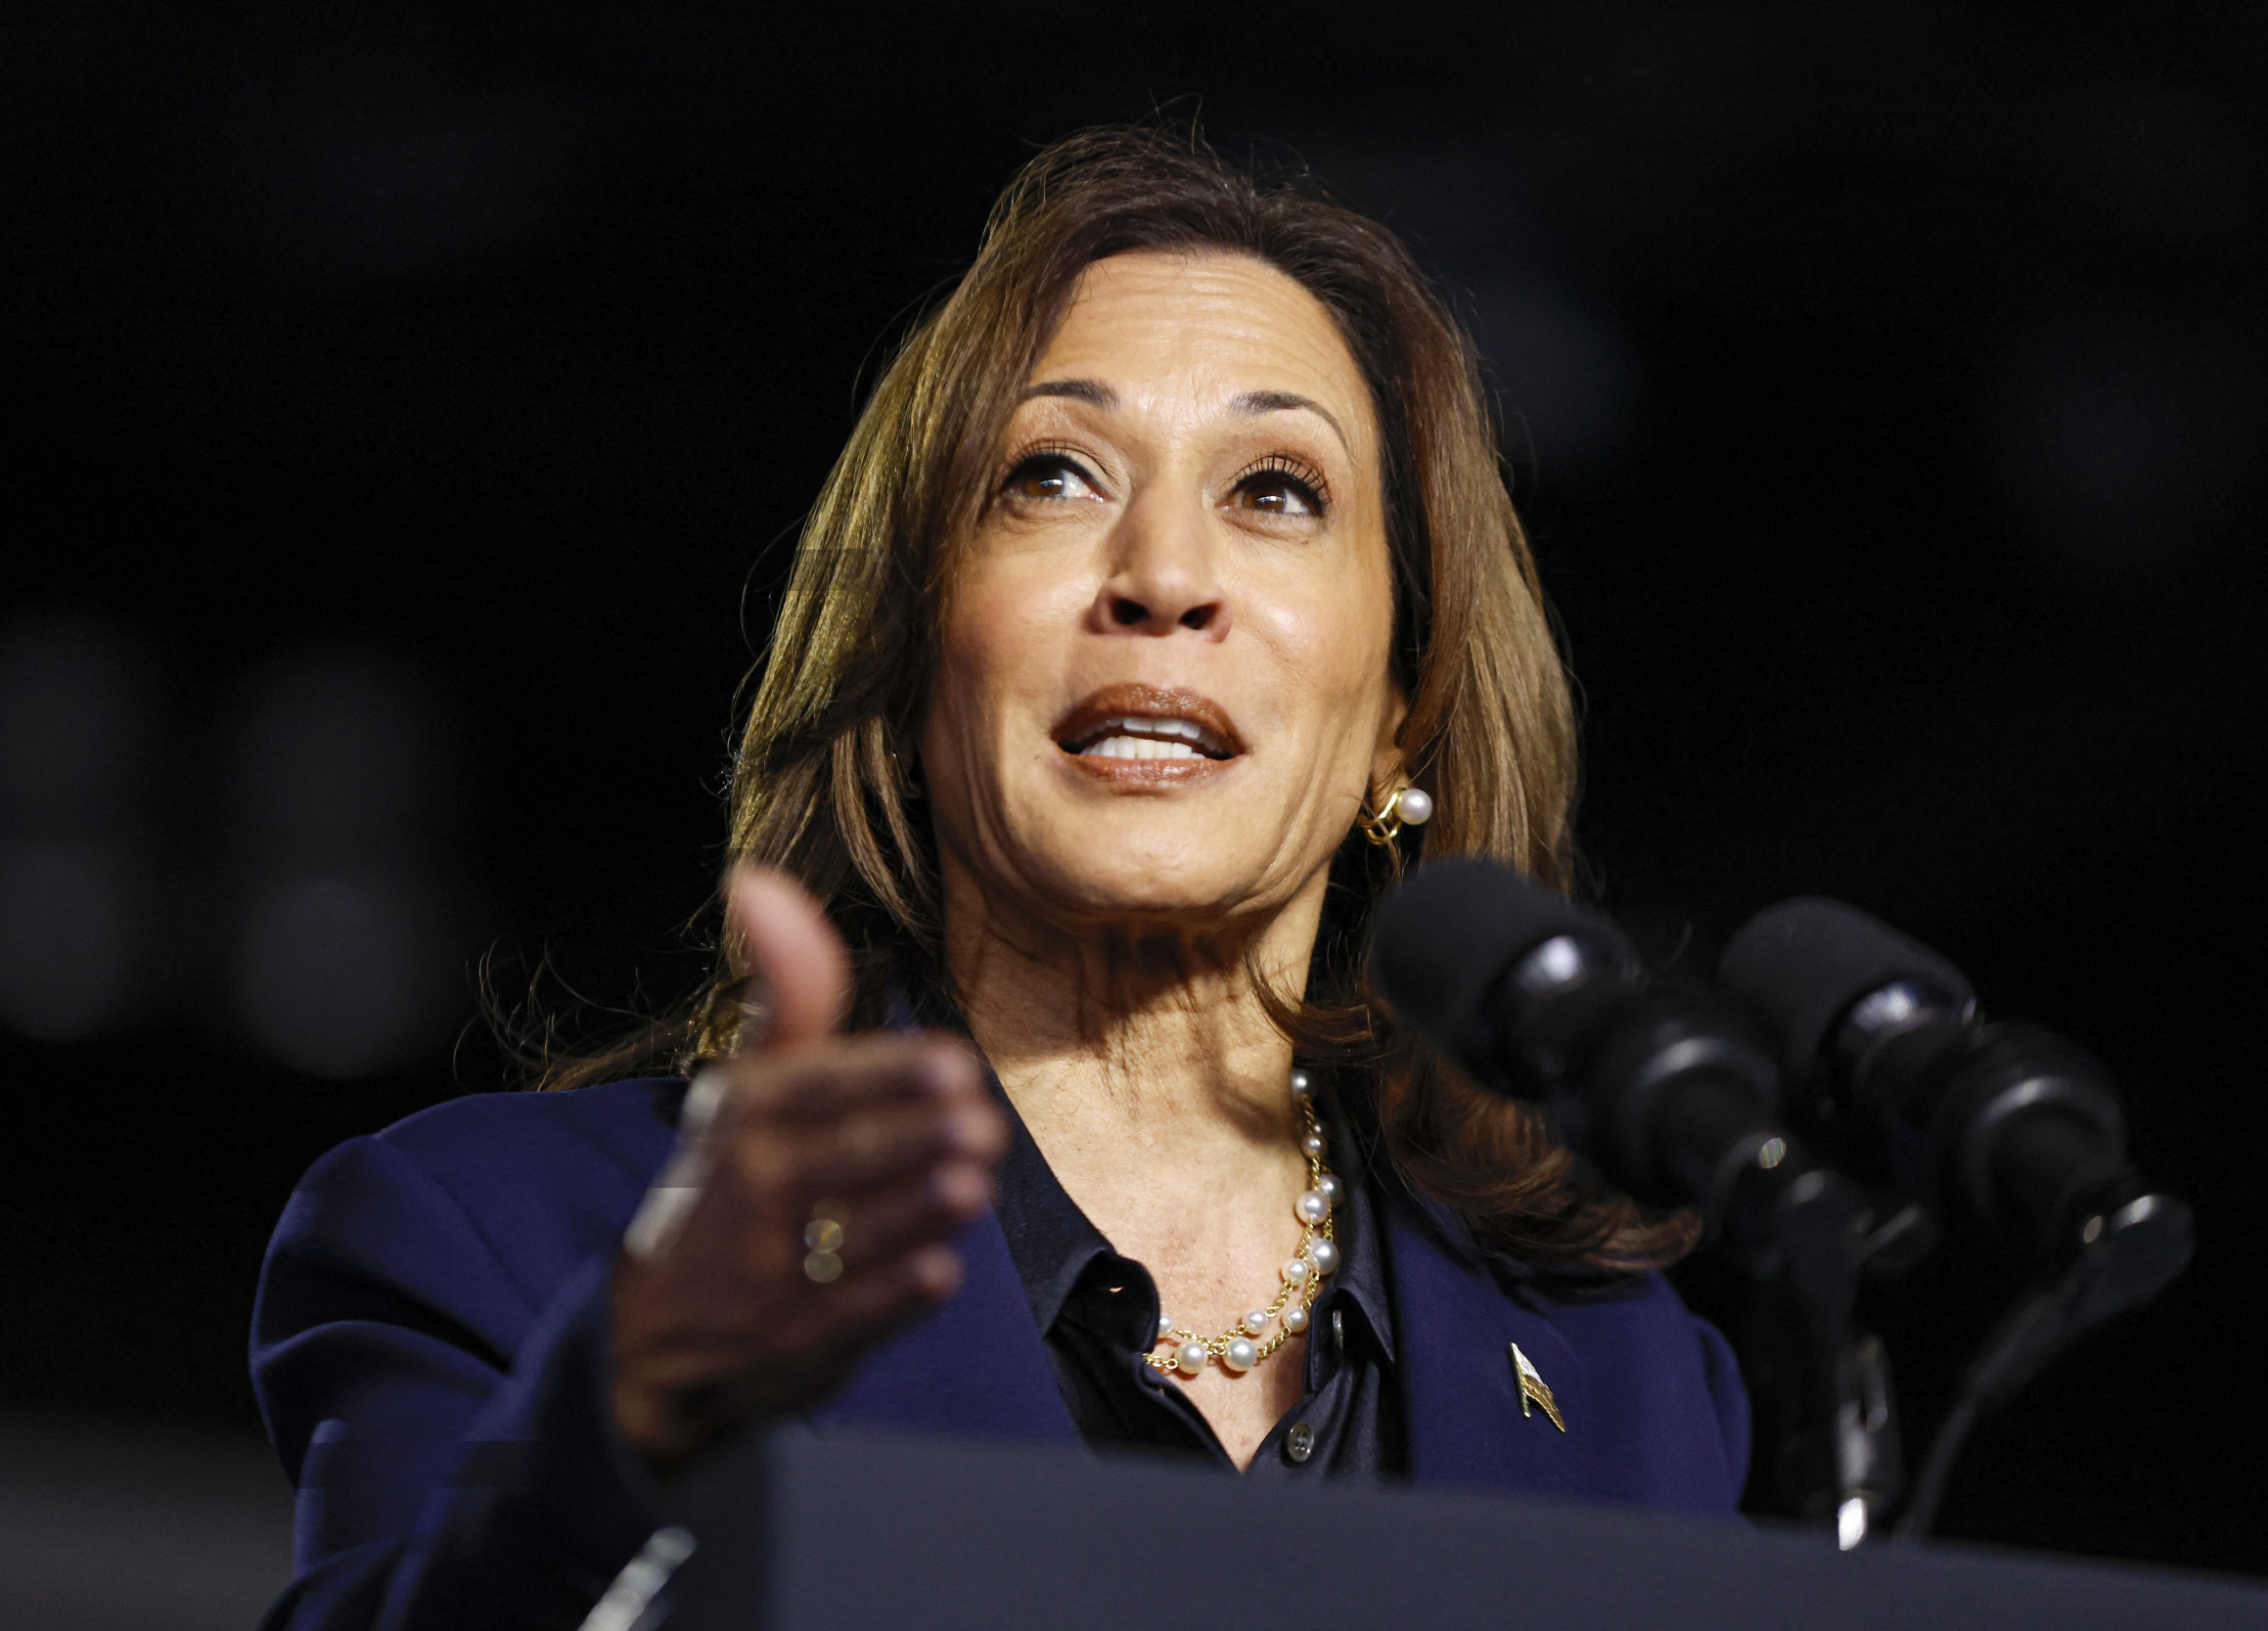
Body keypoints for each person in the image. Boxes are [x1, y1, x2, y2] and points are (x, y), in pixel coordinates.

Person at [249, 127, 1748, 1631]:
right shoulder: (498, 1236)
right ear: (911, 662)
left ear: (1401, 715)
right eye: (1053, 474)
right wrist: (622, 1442)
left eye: (1276, 491)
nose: (1165, 573)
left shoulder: (1634, 1390)